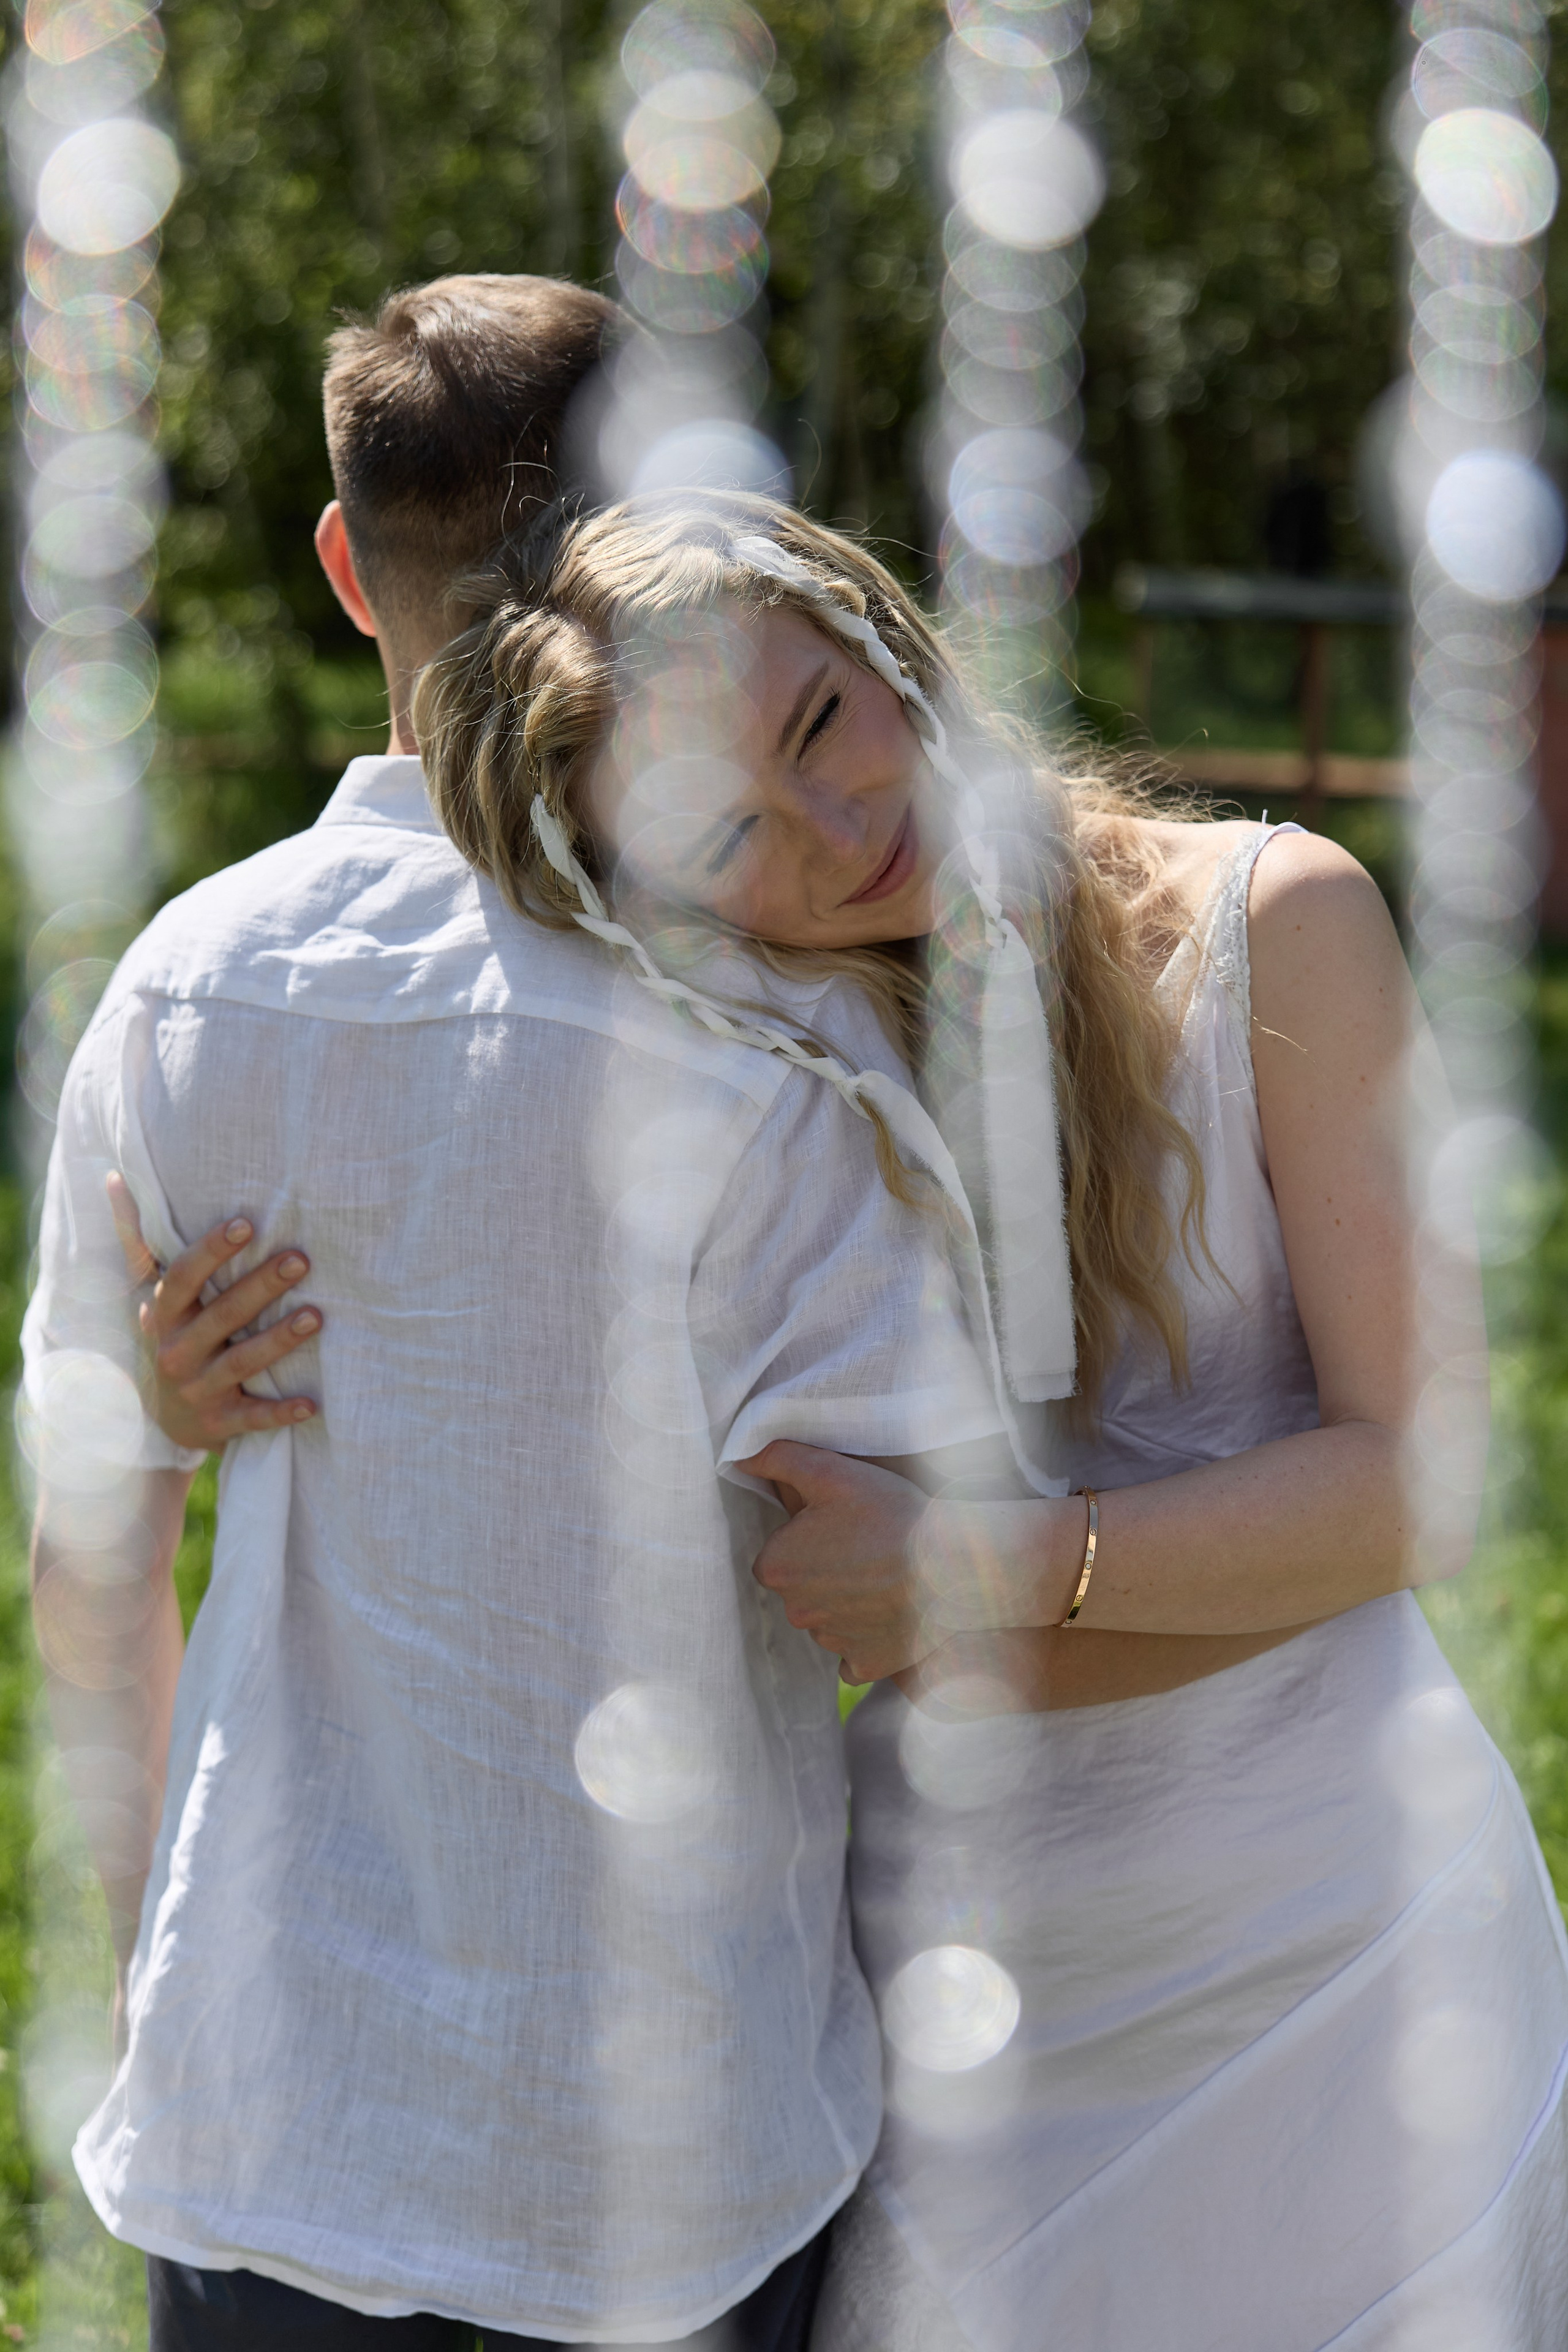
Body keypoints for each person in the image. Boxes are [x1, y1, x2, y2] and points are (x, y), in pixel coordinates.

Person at [170, 488, 1568, 2349]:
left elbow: (1432, 1477)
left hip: (1343, 1946)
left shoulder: (1275, 920)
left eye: (826, 721)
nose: (846, 830)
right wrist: (173, 1380)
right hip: (948, 1985)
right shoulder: (733, 1074)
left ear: (879, 631)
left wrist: (1002, 1572)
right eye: (734, 829)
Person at [23, 290, 1012, 2349]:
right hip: (655, 2162)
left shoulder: (187, 989)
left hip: (270, 2118)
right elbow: (914, 1604)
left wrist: (158, 1964)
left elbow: (88, 1563)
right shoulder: (770, 1034)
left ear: (335, 564)